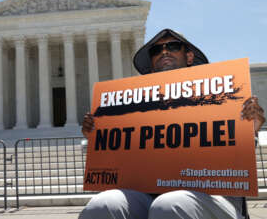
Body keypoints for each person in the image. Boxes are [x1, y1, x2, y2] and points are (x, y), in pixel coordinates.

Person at [79, 29, 265, 219]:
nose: (164, 52)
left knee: (170, 204)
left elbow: (235, 156)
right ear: (151, 64)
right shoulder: (135, 109)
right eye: (156, 50)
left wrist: (250, 130)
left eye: (173, 46)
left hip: (213, 199)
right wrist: (98, 137)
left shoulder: (223, 94)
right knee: (103, 204)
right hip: (149, 197)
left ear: (189, 56)